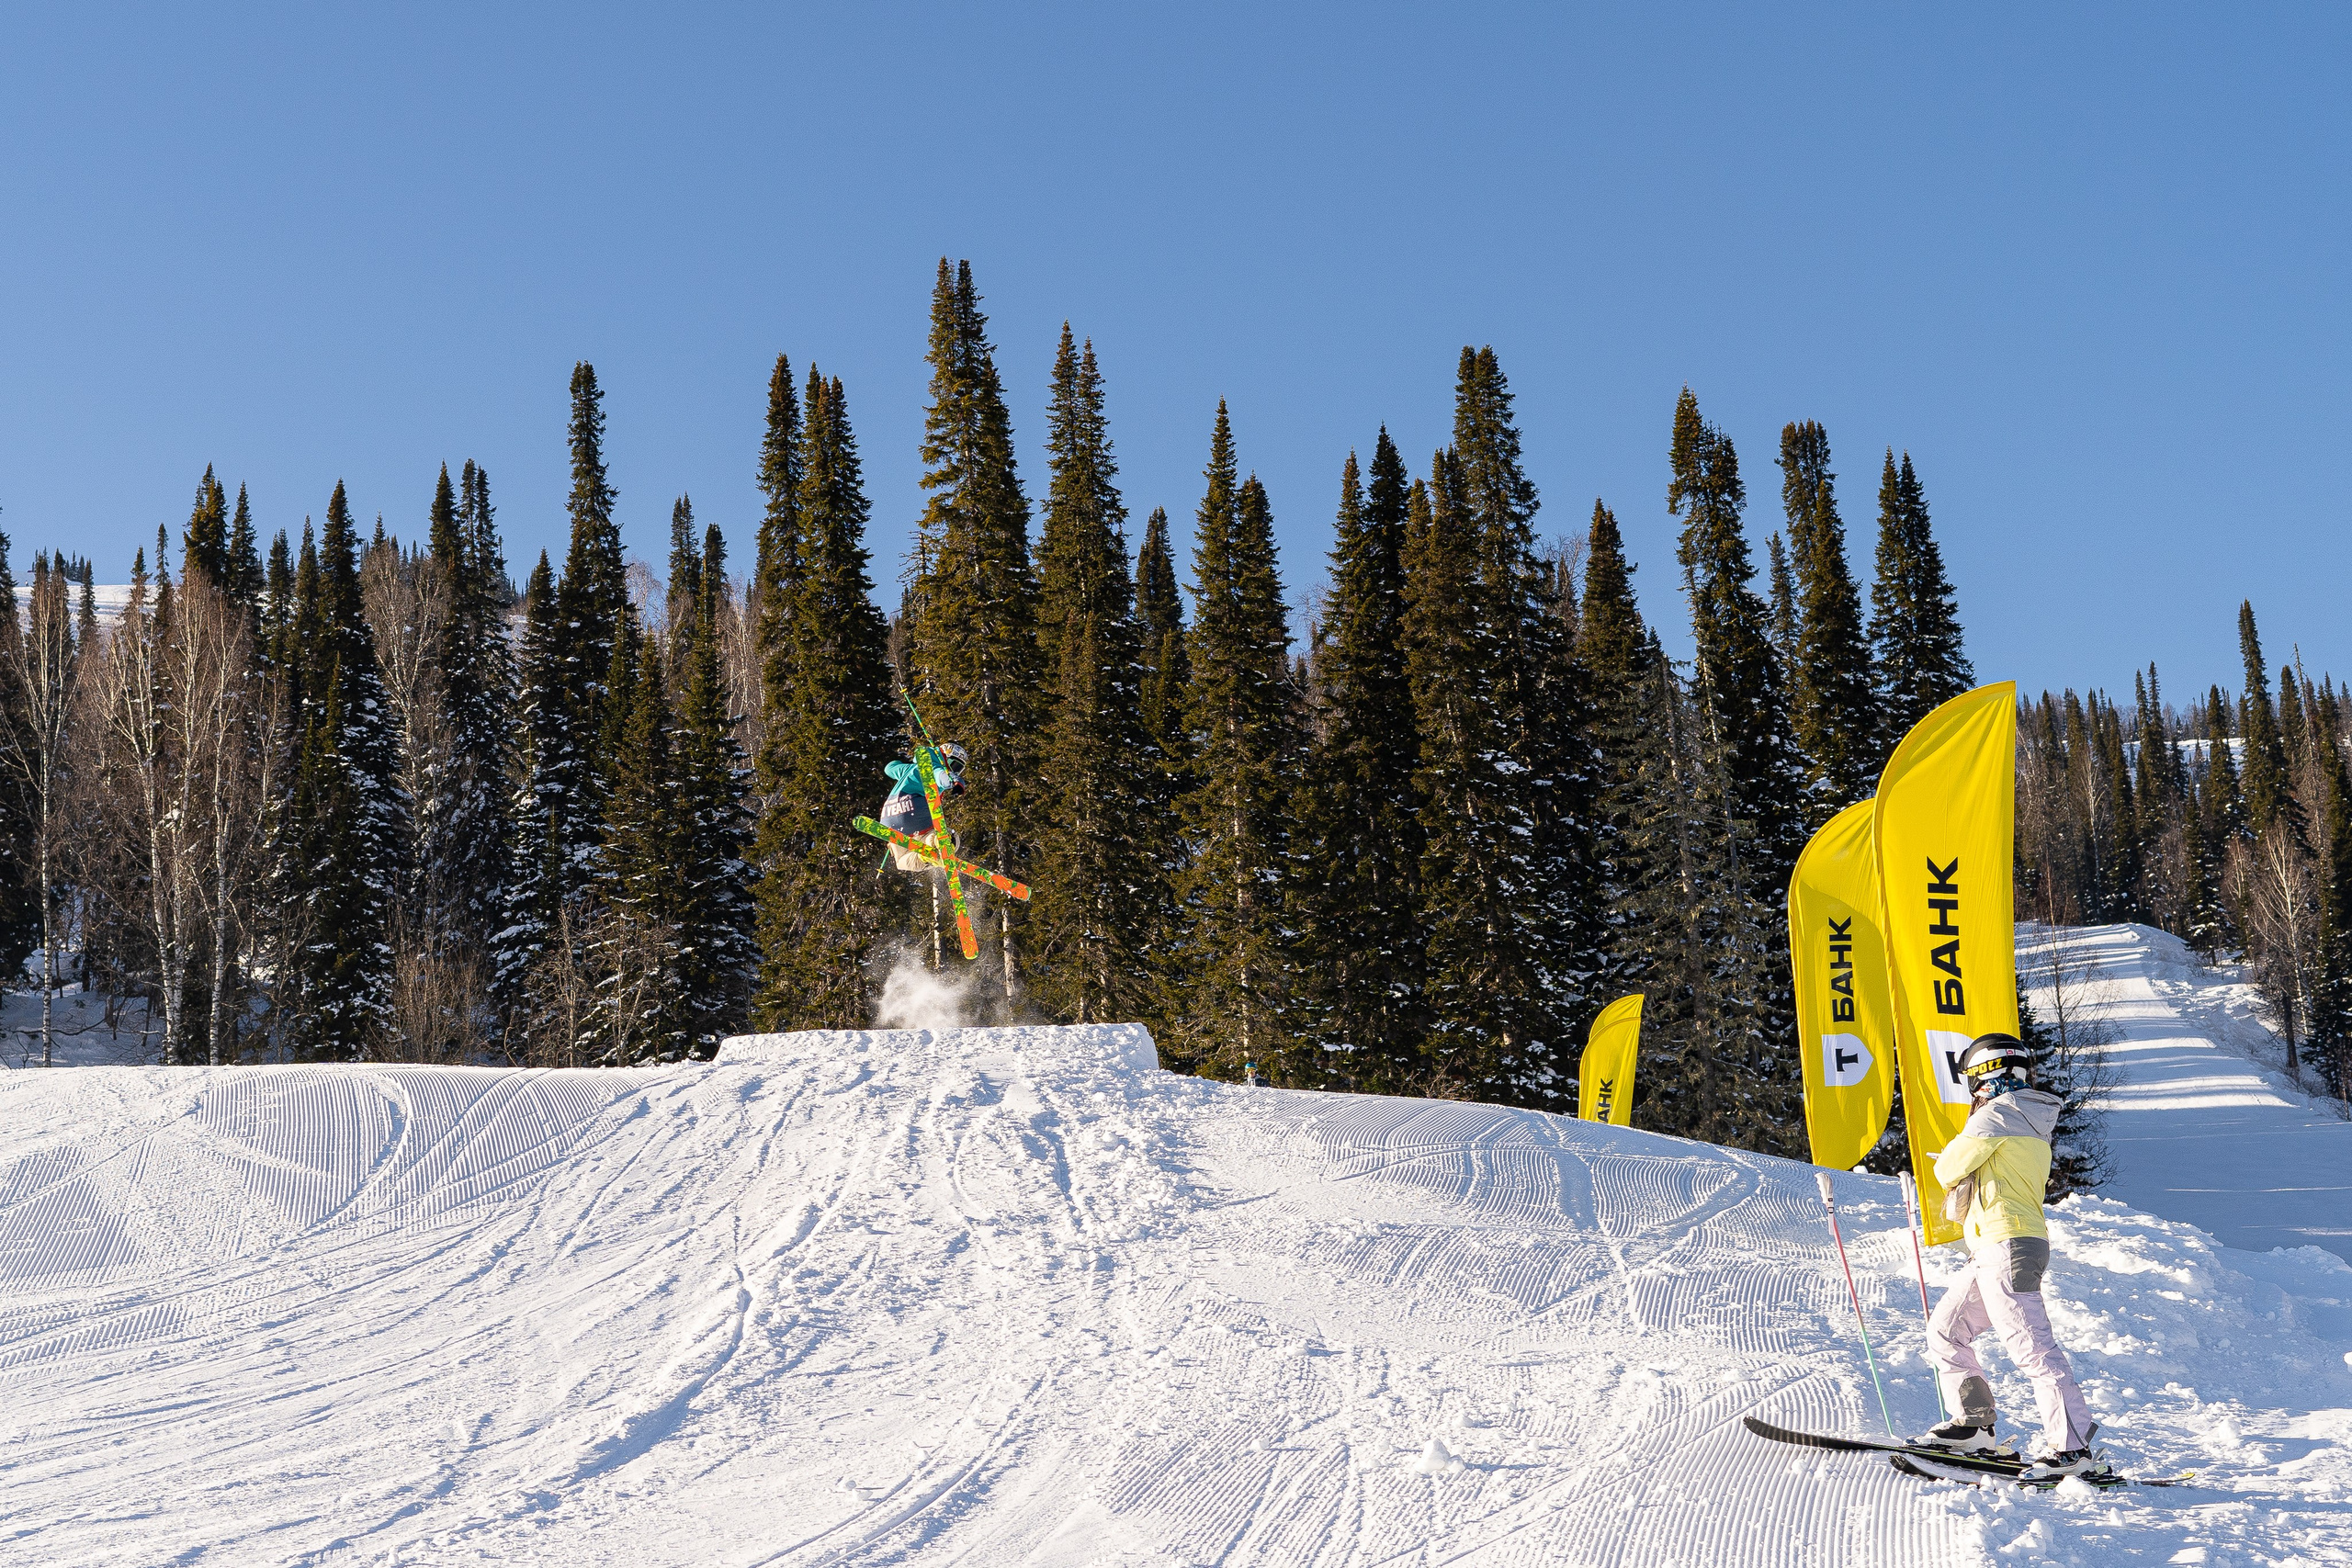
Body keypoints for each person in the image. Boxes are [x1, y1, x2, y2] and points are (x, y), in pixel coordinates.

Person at [1917, 1032, 2101, 1480]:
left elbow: (1946, 1169)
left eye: (1973, 1081)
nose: (1973, 1092)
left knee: (2033, 1349)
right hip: (1997, 1246)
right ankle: (1974, 1426)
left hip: (2008, 1244)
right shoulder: (2028, 1118)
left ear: (1987, 1075)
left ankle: (2071, 1449)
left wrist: (1958, 1151)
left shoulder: (1998, 1115)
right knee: (1946, 1329)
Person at [878, 743, 967, 872]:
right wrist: (956, 781)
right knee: (943, 835)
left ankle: (923, 857)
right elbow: (941, 775)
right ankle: (939, 841)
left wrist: (903, 764)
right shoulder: (933, 766)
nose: (954, 770)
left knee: (901, 861)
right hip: (914, 812)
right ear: (945, 757)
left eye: (959, 769)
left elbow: (889, 768)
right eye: (955, 765)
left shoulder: (907, 769)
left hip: (889, 817)